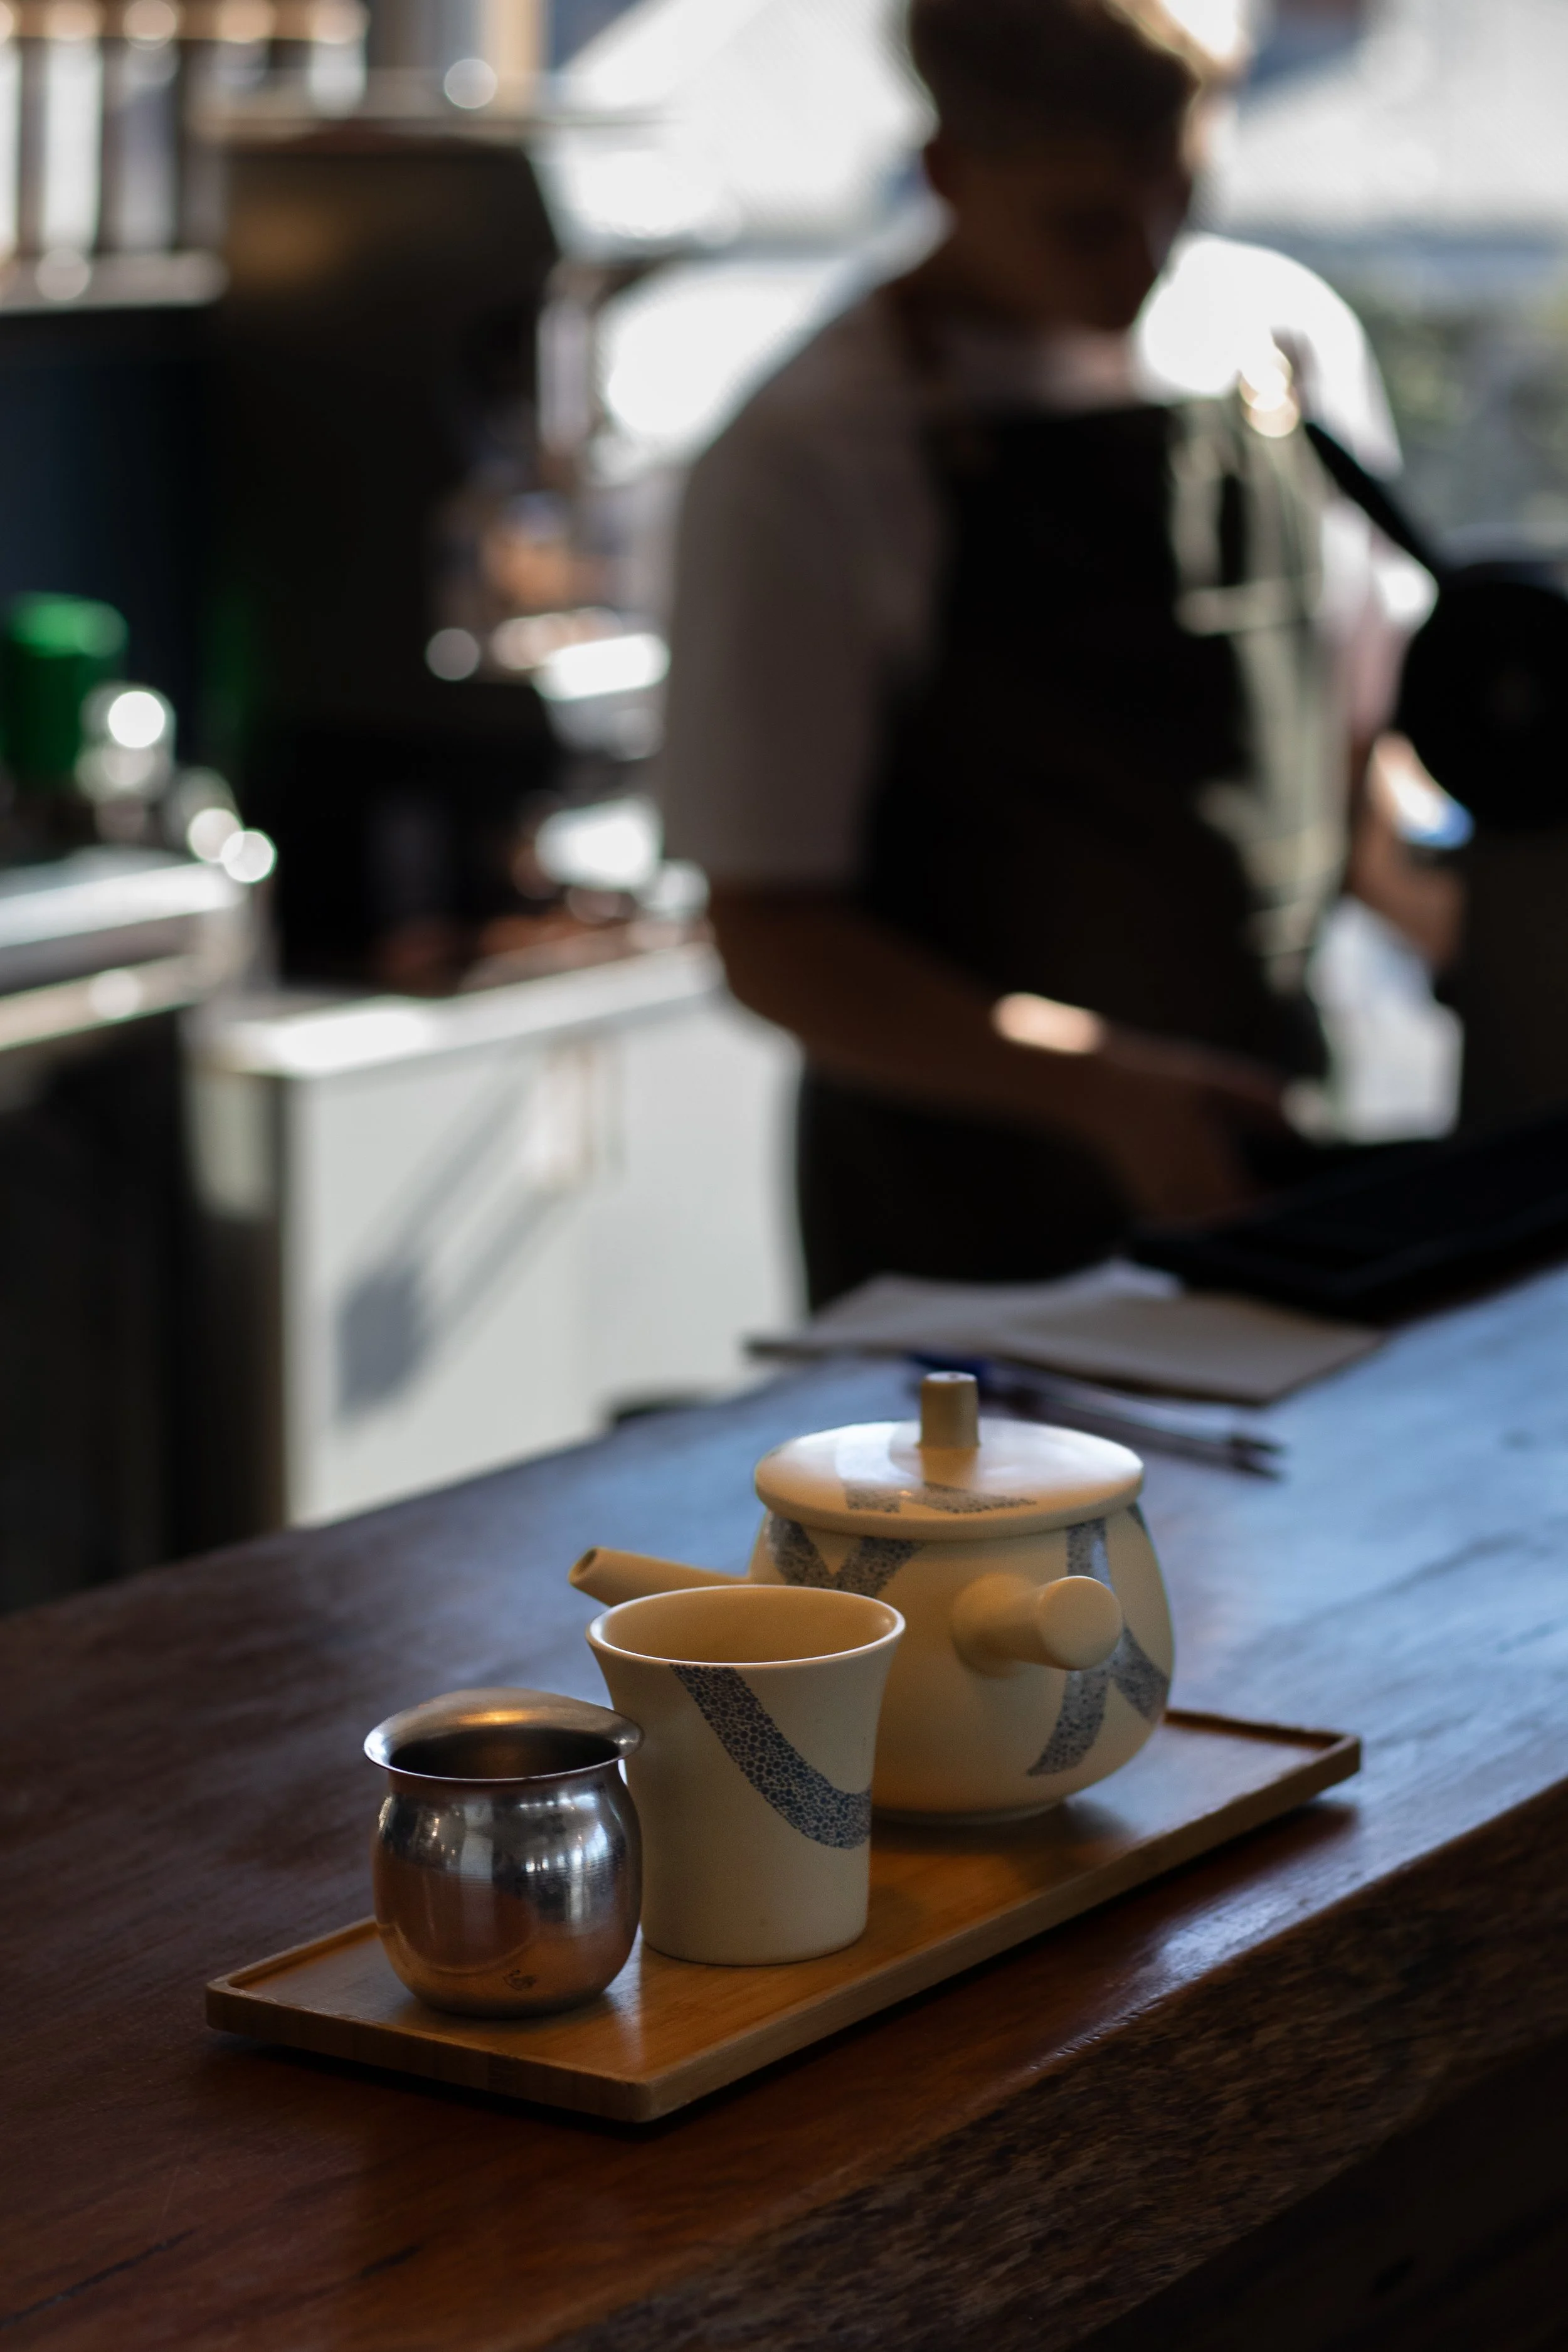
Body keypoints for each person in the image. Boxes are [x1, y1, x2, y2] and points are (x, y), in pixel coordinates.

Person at [660, 0, 1417, 1306]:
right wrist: (1105, 1095)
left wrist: (1475, 936)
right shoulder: (811, 453)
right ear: (946, 172)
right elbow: (768, 930)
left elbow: (1355, 757)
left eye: (1175, 190)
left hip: (1273, 1157)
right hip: (964, 1231)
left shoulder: (1278, 347)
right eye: (1079, 218)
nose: (1142, 253)